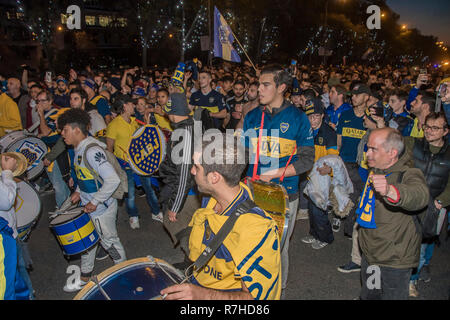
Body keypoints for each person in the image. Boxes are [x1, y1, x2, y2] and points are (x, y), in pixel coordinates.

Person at [161, 134, 281, 300]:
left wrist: (202, 295)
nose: (192, 171)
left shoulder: (255, 229)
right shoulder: (211, 198)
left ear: (214, 177)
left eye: (197, 167)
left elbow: (253, 299)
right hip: (200, 281)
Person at [242, 65, 314, 290]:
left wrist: (274, 173)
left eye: (265, 85)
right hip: (252, 191)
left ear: (282, 87)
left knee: (277, 246)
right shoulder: (252, 116)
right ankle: (252, 289)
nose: (259, 89)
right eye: (258, 84)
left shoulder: (298, 118)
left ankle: (277, 290)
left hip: (283, 195)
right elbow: (243, 153)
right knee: (252, 242)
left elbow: (307, 159)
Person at [58, 108, 127, 292]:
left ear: (76, 130)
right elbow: (88, 175)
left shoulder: (91, 151)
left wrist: (95, 201)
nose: (62, 134)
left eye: (65, 130)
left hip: (101, 209)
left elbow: (112, 179)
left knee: (110, 243)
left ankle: (124, 274)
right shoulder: (79, 149)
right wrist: (79, 191)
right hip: (90, 206)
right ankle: (85, 276)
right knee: (88, 243)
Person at [358, 127, 429, 300]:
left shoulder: (409, 173)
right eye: (368, 148)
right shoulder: (377, 169)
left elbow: (420, 195)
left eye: (374, 149)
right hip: (371, 256)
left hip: (394, 261)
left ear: (392, 153)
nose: (368, 153)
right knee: (371, 295)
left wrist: (391, 191)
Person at [403, 112, 450, 297]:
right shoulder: (413, 144)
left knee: (420, 250)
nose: (429, 131)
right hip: (407, 202)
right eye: (427, 126)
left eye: (435, 128)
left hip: (430, 209)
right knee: (398, 243)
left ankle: (411, 281)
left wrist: (440, 202)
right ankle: (394, 278)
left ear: (445, 131)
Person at [105, 95, 162, 229]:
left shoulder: (135, 121)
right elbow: (109, 149)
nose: (134, 106)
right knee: (130, 193)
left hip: (140, 161)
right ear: (124, 106)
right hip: (125, 164)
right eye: (132, 104)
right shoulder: (113, 125)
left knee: (149, 188)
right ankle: (133, 216)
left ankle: (156, 212)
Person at [158, 90, 198, 261]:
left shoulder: (184, 134)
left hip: (186, 193)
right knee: (193, 230)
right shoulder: (187, 127)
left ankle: (195, 269)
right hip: (187, 190)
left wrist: (175, 205)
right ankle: (191, 263)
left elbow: (184, 174)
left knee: (185, 233)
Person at [300, 98, 339, 249]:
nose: (313, 120)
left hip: (322, 177)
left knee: (319, 210)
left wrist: (329, 168)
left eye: (316, 116)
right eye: (310, 116)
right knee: (311, 208)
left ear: (322, 115)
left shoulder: (328, 132)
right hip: (310, 175)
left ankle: (326, 237)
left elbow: (333, 156)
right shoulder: (305, 130)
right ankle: (315, 233)